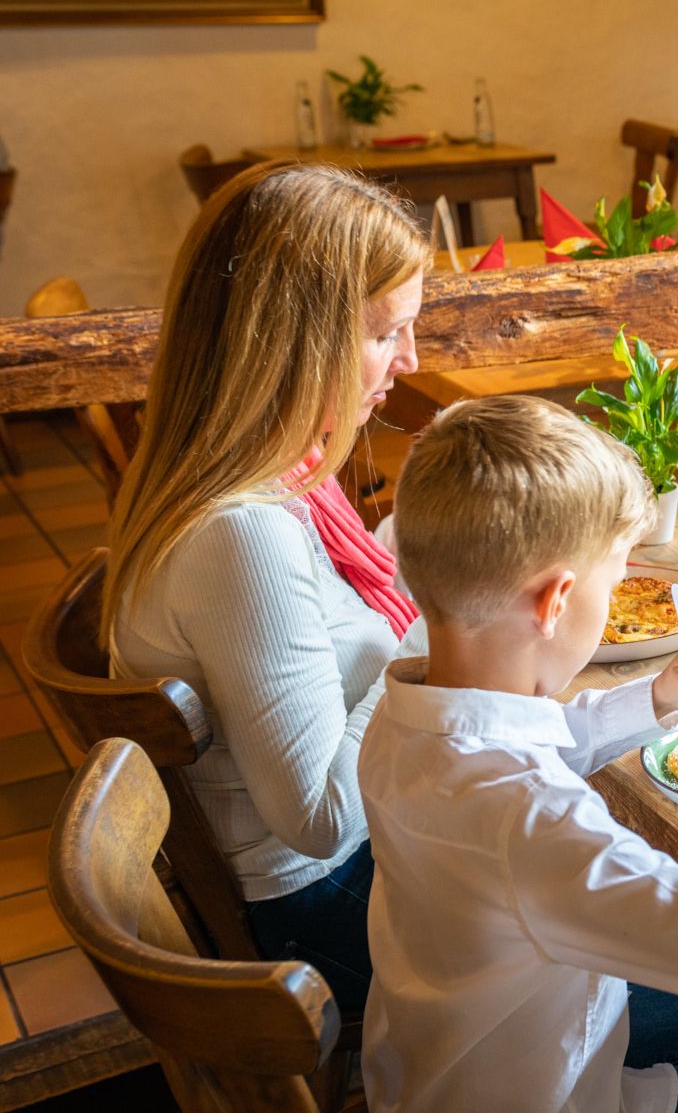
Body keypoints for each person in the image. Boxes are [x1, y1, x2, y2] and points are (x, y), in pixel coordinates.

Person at [361, 395, 678, 1113]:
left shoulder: (406, 714)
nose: (613, 598)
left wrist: (656, 698)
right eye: (614, 580)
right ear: (555, 602)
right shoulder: (525, 814)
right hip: (553, 1098)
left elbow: (535, 742)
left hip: (451, 1064)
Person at [107, 161, 430, 1012]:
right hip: (324, 909)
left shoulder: (266, 471)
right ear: (296, 338)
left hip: (353, 871)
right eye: (385, 332)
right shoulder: (241, 532)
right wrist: (433, 633)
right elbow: (319, 817)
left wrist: (433, 552)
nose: (411, 358)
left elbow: (328, 611)